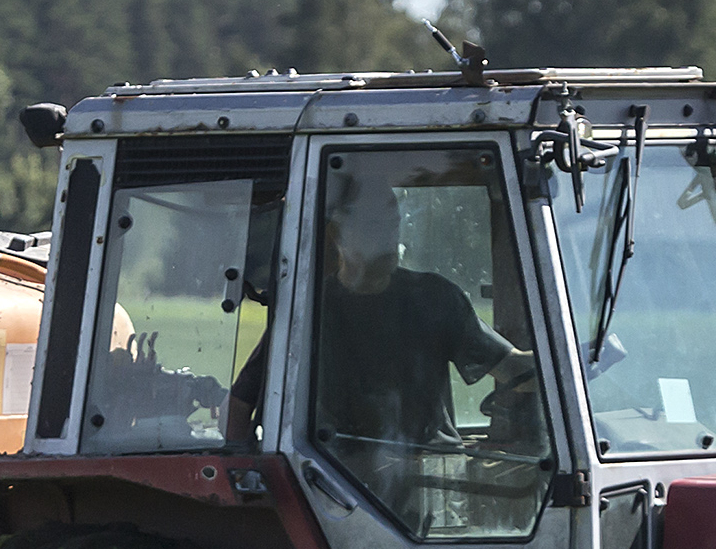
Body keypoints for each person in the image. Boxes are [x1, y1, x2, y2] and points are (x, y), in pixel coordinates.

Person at [224, 168, 539, 456]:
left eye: (393, 224)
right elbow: (240, 403)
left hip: (427, 475)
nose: (389, 239)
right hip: (333, 478)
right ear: (337, 234)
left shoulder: (433, 298)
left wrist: (571, 370)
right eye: (374, 226)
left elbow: (511, 370)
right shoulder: (309, 311)